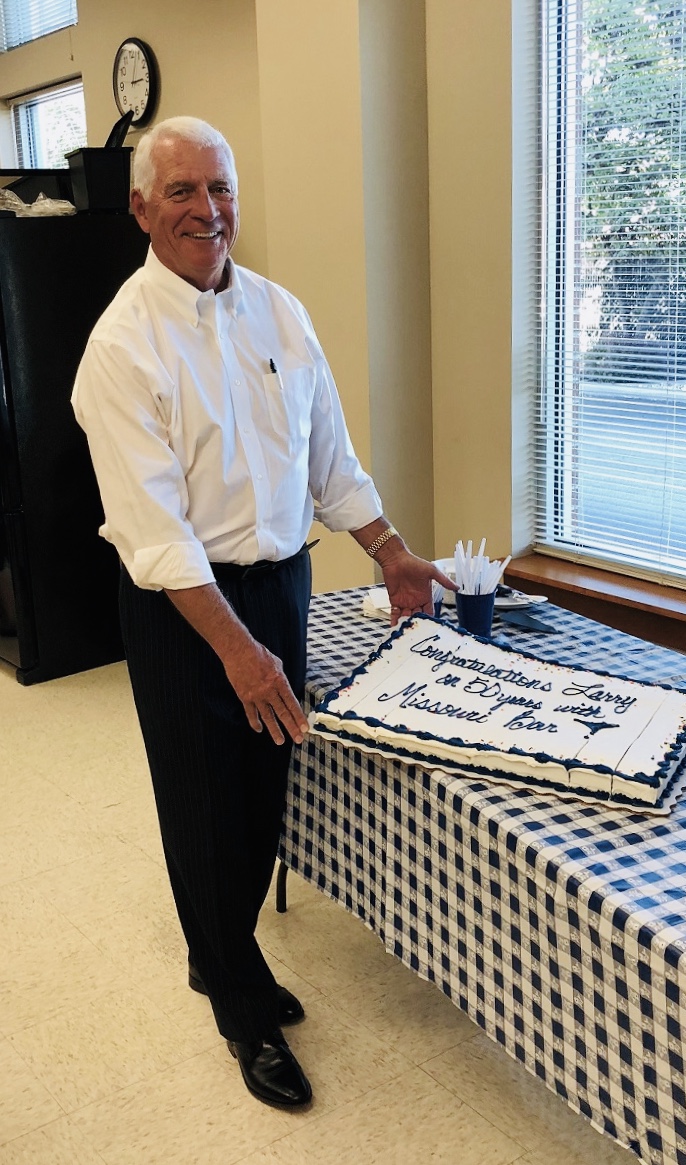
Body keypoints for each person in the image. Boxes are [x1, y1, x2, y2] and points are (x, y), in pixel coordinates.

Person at [72, 116, 453, 1111]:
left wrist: (392, 551)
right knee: (207, 808)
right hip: (184, 608)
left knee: (264, 781)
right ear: (143, 210)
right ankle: (236, 1002)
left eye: (222, 187)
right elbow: (154, 535)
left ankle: (221, 953)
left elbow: (327, 460)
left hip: (280, 582)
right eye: (185, 193)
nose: (208, 210)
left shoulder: (280, 313)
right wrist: (238, 653)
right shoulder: (120, 348)